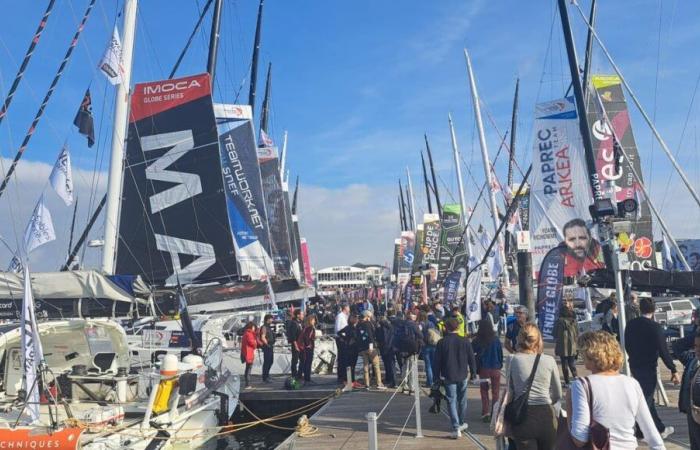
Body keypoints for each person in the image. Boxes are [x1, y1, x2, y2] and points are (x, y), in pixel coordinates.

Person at [567, 331, 664, 449]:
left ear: (590, 355)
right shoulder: (632, 383)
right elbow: (650, 431)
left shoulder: (582, 385)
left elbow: (580, 438)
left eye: (582, 353)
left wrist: (569, 407)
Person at [625, 297, 680, 439]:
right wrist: (673, 369)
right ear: (654, 310)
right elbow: (663, 350)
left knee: (645, 397)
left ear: (640, 308)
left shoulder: (631, 324)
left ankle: (648, 429)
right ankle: (651, 430)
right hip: (648, 366)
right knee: (646, 399)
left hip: (635, 365)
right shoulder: (655, 327)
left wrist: (633, 358)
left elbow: (627, 345)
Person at [508, 323, 561, 449]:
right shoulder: (549, 360)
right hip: (546, 416)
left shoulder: (513, 359)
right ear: (539, 340)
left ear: (519, 339)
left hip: (523, 417)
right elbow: (558, 394)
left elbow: (510, 392)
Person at [434, 317, 477, 439]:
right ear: (458, 327)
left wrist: (436, 377)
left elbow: (437, 362)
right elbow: (471, 359)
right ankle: (461, 421)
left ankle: (456, 426)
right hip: (463, 374)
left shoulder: (442, 342)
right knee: (462, 400)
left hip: (448, 374)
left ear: (446, 328)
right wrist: (473, 373)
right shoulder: (465, 341)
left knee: (451, 400)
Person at [472, 317, 503, 422]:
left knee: (484, 391)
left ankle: (485, 412)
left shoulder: (477, 340)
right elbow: (500, 353)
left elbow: (472, 353)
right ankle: (495, 413)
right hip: (495, 368)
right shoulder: (496, 339)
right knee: (496, 392)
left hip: (483, 368)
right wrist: (499, 364)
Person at [357, 311, 385, 389]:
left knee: (365, 367)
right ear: (367, 316)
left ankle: (367, 384)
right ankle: (379, 383)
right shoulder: (368, 324)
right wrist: (371, 347)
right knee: (376, 365)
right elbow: (371, 336)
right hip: (371, 347)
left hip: (363, 348)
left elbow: (358, 337)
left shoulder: (358, 325)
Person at [554, 299, 579, 386]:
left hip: (562, 346)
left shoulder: (559, 321)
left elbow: (554, 334)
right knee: (572, 363)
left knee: (564, 364)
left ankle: (567, 382)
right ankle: (576, 378)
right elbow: (578, 333)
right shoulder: (574, 321)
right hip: (572, 345)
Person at [337, 314, 359, 386]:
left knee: (349, 365)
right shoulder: (354, 328)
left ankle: (349, 380)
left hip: (347, 347)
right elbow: (356, 337)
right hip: (353, 348)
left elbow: (339, 332)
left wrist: (344, 338)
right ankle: (351, 380)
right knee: (352, 365)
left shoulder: (347, 327)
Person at [376, 310, 396, 388]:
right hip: (390, 347)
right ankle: (391, 379)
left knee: (389, 365)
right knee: (391, 364)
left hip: (385, 347)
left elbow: (381, 338)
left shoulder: (381, 328)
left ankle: (392, 381)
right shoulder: (390, 327)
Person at [419, 311, 439, 388]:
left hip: (426, 345)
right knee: (433, 364)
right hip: (433, 344)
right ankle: (434, 380)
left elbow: (419, 333)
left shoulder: (421, 324)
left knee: (428, 365)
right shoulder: (431, 323)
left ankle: (430, 382)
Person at [297, 314, 317, 385]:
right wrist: (309, 344)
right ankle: (307, 379)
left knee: (306, 363)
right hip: (308, 348)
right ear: (310, 321)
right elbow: (307, 337)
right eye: (314, 320)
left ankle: (306, 378)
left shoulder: (305, 328)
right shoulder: (311, 328)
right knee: (308, 363)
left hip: (305, 348)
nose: (314, 321)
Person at [286, 309, 304, 379]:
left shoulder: (300, 323)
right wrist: (296, 346)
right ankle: (294, 374)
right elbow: (293, 336)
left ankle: (300, 374)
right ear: (298, 315)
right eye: (301, 314)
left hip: (301, 344)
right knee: (295, 360)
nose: (303, 316)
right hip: (296, 344)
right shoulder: (294, 323)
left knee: (302, 359)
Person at [240, 322, 258, 389]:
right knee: (248, 369)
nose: (254, 328)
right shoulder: (249, 334)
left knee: (248, 368)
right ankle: (247, 384)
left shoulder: (245, 333)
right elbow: (252, 343)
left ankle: (247, 383)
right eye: (253, 327)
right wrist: (255, 343)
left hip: (246, 352)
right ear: (251, 327)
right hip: (249, 353)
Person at [259, 314, 276, 383]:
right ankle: (265, 377)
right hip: (267, 347)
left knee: (271, 361)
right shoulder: (264, 327)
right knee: (267, 362)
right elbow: (263, 337)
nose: (272, 320)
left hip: (270, 346)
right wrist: (267, 344)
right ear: (268, 319)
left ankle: (267, 375)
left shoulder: (268, 327)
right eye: (271, 319)